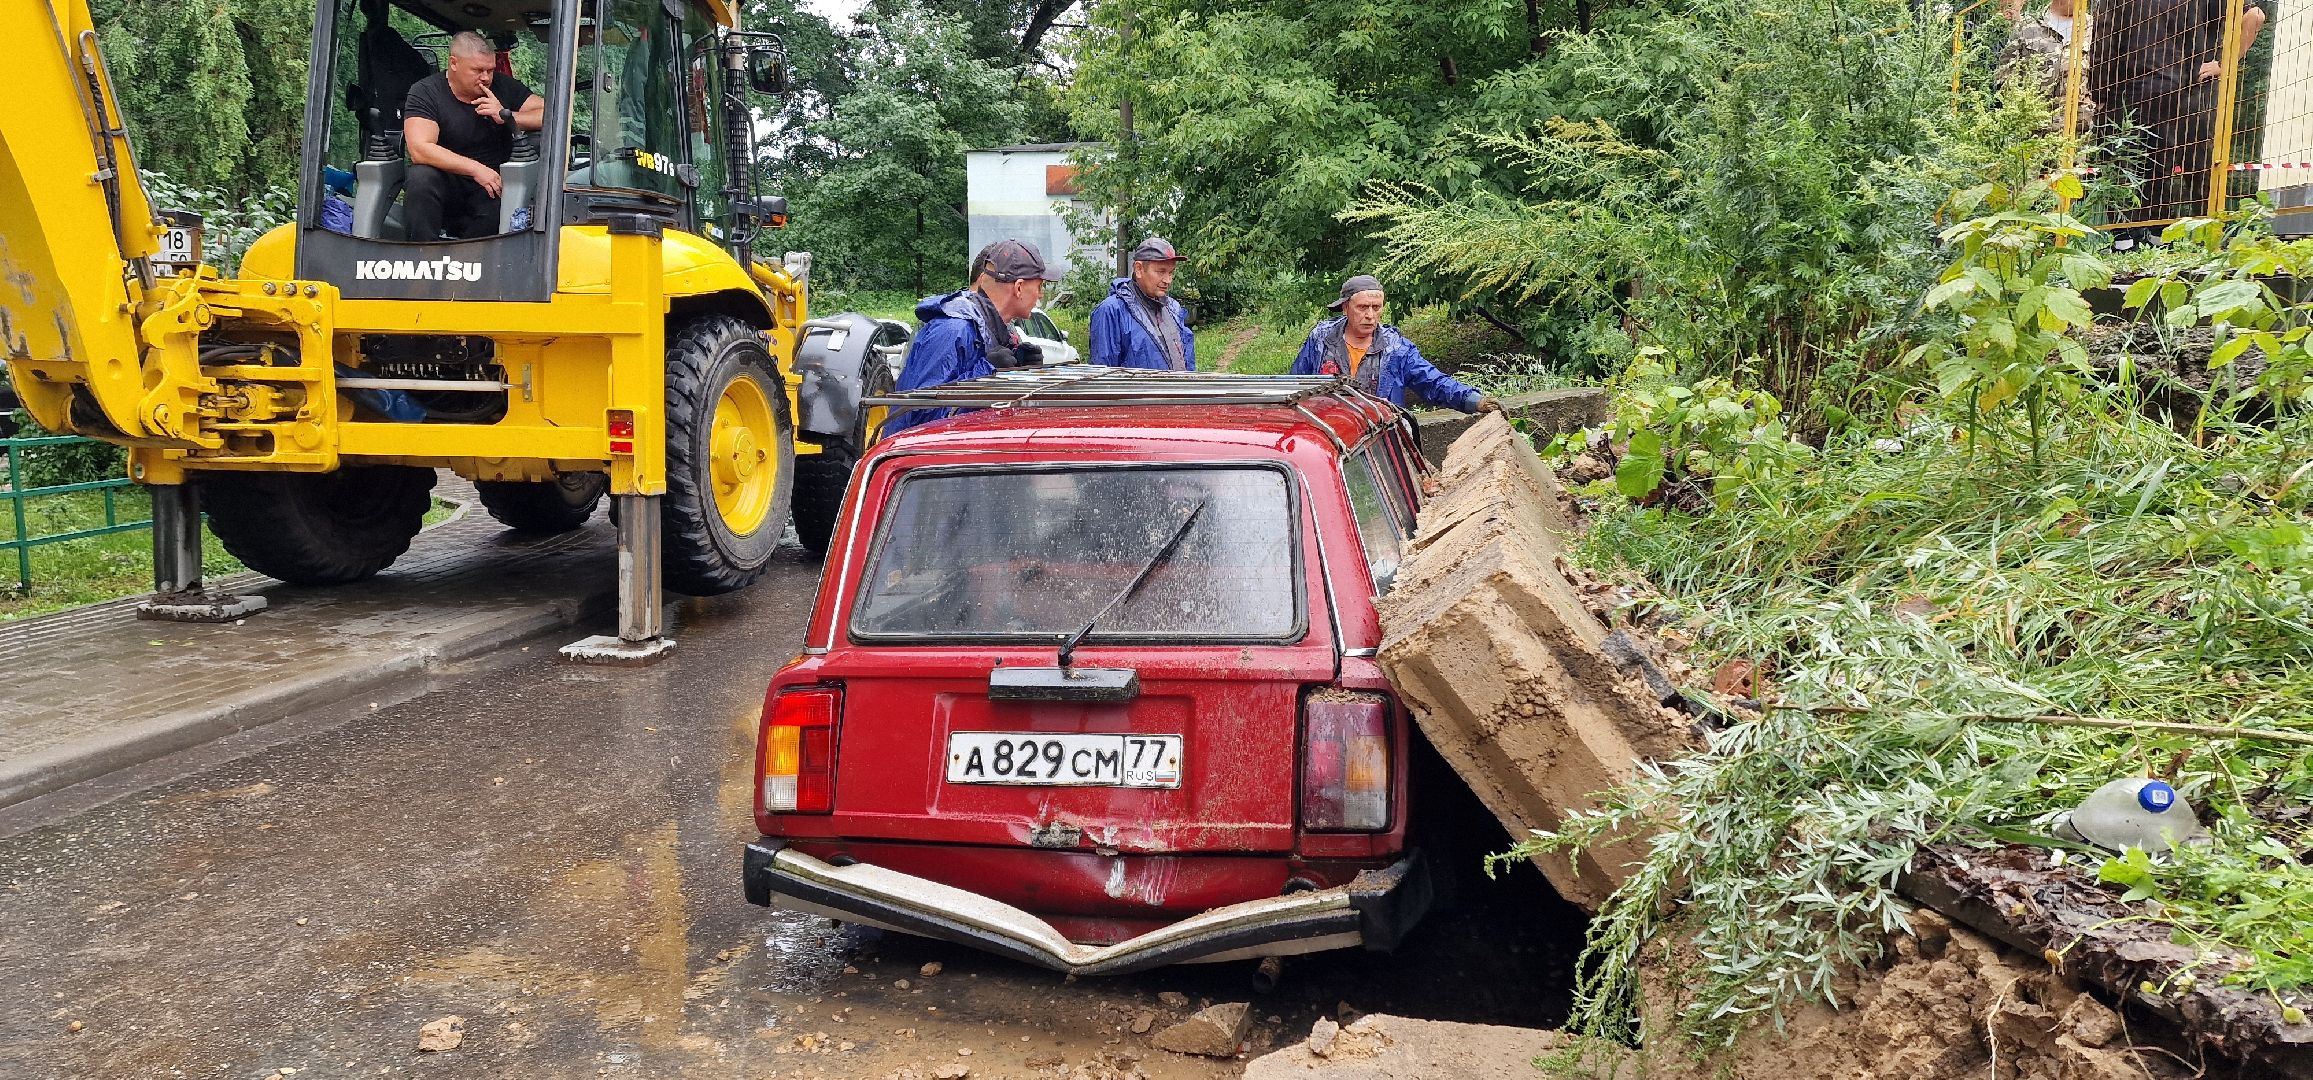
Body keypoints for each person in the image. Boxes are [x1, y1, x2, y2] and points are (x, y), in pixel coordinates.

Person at [2089, 0, 2265, 223]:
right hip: (2188, 90)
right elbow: (2255, 16)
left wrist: (2100, 92)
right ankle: (2202, 235)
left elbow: (2254, 16)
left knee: (2139, 167)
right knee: (2190, 170)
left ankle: (2141, 236)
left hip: (2147, 92)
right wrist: (2224, 64)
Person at [882, 240, 1053, 438]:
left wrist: (1020, 370)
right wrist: (989, 373)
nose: (1040, 294)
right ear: (1019, 288)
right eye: (1040, 286)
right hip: (915, 462)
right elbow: (920, 417)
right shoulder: (952, 329)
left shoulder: (995, 328)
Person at [401, 31, 545, 241]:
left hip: (492, 185)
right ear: (454, 63)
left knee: (508, 198)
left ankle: (474, 260)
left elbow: (553, 114)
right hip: (446, 182)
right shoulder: (425, 92)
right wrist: (475, 169)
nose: (485, 78)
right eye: (477, 70)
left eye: (490, 70)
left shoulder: (502, 87)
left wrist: (507, 116)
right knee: (420, 178)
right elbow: (420, 149)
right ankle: (422, 257)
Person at [1289, 275, 1499, 415]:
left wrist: (1474, 401)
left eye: (1376, 307)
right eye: (1362, 307)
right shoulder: (1321, 340)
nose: (1370, 315)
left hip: (1379, 439)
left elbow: (1432, 382)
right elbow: (1294, 386)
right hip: (1327, 433)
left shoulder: (1396, 349)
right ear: (1345, 308)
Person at [1089, 237, 1196, 370]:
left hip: (1177, 390)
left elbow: (1188, 362)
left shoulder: (1173, 308)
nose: (1168, 280)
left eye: (1171, 272)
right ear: (1139, 269)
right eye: (1161, 271)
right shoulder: (1112, 311)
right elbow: (1102, 376)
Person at [1997, 0, 2094, 128]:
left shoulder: (2094, 27)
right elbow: (2004, 75)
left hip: (2079, 130)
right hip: (2032, 130)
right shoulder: (2027, 27)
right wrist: (2019, 108)